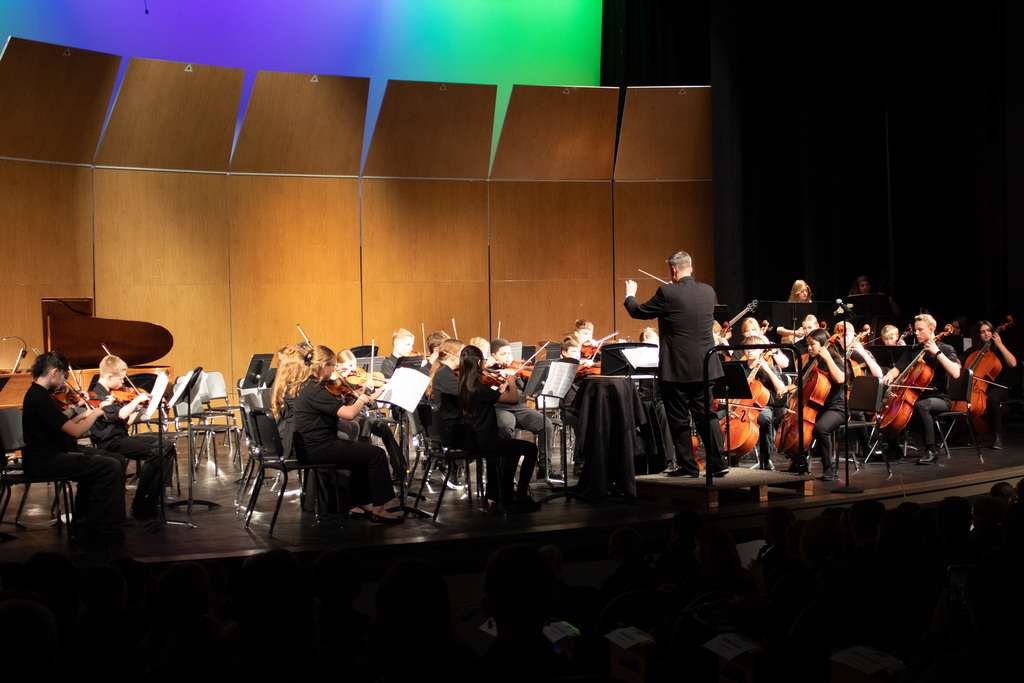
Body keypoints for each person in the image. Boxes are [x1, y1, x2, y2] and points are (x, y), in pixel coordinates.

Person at [623, 250, 728, 477]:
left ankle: (688, 467)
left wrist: (630, 295)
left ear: (672, 270)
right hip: (706, 366)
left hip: (677, 370)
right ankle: (719, 464)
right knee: (706, 415)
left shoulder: (666, 292)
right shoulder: (708, 291)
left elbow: (638, 311)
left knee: (679, 419)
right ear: (691, 268)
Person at [21, 350, 127, 539]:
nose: (63, 381)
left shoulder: (39, 394)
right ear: (54, 372)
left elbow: (59, 420)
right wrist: (95, 413)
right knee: (108, 466)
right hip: (43, 460)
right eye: (62, 376)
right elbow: (75, 432)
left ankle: (89, 518)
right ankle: (101, 526)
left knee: (116, 459)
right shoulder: (39, 398)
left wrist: (81, 412)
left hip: (52, 453)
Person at [290, 345, 403, 523]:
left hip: (314, 446)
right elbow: (349, 414)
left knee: (362, 454)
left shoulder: (309, 386)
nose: (335, 369)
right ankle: (379, 509)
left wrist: (353, 397)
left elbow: (337, 413)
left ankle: (354, 503)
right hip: (319, 448)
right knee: (377, 455)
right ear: (322, 367)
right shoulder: (315, 391)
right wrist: (361, 399)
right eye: (332, 366)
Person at [436, 345, 541, 512]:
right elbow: (513, 399)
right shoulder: (479, 388)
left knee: (511, 448)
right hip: (484, 442)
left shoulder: (463, 387)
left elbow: (489, 399)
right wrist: (512, 381)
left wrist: (502, 385)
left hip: (470, 439)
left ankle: (504, 493)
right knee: (530, 449)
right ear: (479, 363)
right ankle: (520, 495)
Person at [89, 354, 175, 520]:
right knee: (160, 449)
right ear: (108, 377)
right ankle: (142, 501)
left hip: (122, 439)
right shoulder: (97, 395)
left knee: (167, 445)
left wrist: (144, 409)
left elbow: (127, 421)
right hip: (109, 443)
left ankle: (154, 496)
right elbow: (120, 415)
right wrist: (137, 401)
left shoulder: (114, 393)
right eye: (121, 379)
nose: (123, 383)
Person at [882, 314, 961, 465]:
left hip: (939, 398)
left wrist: (937, 353)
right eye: (916, 329)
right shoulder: (914, 350)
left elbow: (956, 373)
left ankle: (931, 450)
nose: (916, 333)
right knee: (887, 403)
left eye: (920, 329)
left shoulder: (946, 349)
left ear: (931, 330)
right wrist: (889, 376)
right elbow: (897, 369)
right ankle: (894, 448)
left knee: (921, 406)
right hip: (915, 396)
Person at [784, 328, 846, 481]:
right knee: (787, 423)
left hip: (836, 408)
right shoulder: (812, 362)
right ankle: (799, 461)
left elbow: (840, 379)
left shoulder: (836, 360)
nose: (809, 348)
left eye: (812, 344)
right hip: (816, 407)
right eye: (808, 344)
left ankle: (829, 469)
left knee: (821, 428)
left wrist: (828, 358)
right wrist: (787, 388)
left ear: (823, 345)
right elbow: (802, 381)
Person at [490, 338, 552, 477]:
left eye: (509, 353)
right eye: (503, 354)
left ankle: (544, 467)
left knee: (546, 424)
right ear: (494, 356)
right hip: (501, 408)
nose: (507, 356)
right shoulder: (489, 371)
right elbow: (490, 393)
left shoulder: (517, 369)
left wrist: (527, 383)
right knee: (505, 427)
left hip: (522, 408)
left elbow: (529, 390)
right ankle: (504, 468)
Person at [738, 336, 791, 470]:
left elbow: (781, 389)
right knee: (720, 417)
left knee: (765, 419)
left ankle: (766, 459)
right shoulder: (739, 368)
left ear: (761, 350)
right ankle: (731, 456)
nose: (749, 351)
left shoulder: (768, 368)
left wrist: (767, 369)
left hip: (761, 407)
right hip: (739, 406)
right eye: (747, 348)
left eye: (753, 348)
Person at [969, 320, 1017, 449]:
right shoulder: (973, 351)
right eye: (982, 332)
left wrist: (1000, 344)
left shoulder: (998, 350)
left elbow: (1013, 363)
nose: (986, 334)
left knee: (992, 398)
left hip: (998, 387)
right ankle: (959, 433)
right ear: (978, 335)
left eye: (988, 331)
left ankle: (997, 436)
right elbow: (960, 364)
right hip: (979, 388)